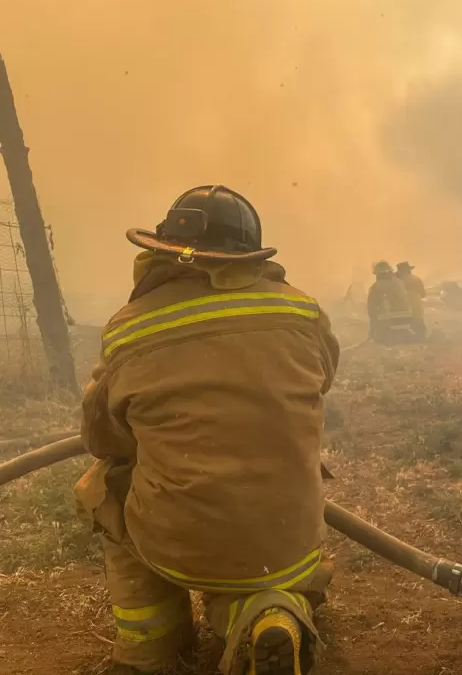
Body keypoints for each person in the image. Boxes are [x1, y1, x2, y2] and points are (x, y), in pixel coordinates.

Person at [73, 185, 340, 675]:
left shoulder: (129, 329)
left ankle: (149, 650)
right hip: (291, 538)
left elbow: (104, 439)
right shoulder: (302, 310)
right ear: (249, 255)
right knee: (257, 572)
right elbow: (321, 379)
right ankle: (271, 615)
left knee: (102, 488)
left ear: (162, 251)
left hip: (182, 544)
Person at [366, 261, 413, 344]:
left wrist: (372, 328)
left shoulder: (376, 286)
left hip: (387, 323)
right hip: (406, 320)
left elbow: (371, 308)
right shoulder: (400, 283)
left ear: (379, 274)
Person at [395, 261, 426, 340]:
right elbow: (423, 294)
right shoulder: (416, 279)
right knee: (419, 324)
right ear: (409, 270)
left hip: (399, 309)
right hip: (416, 307)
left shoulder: (395, 281)